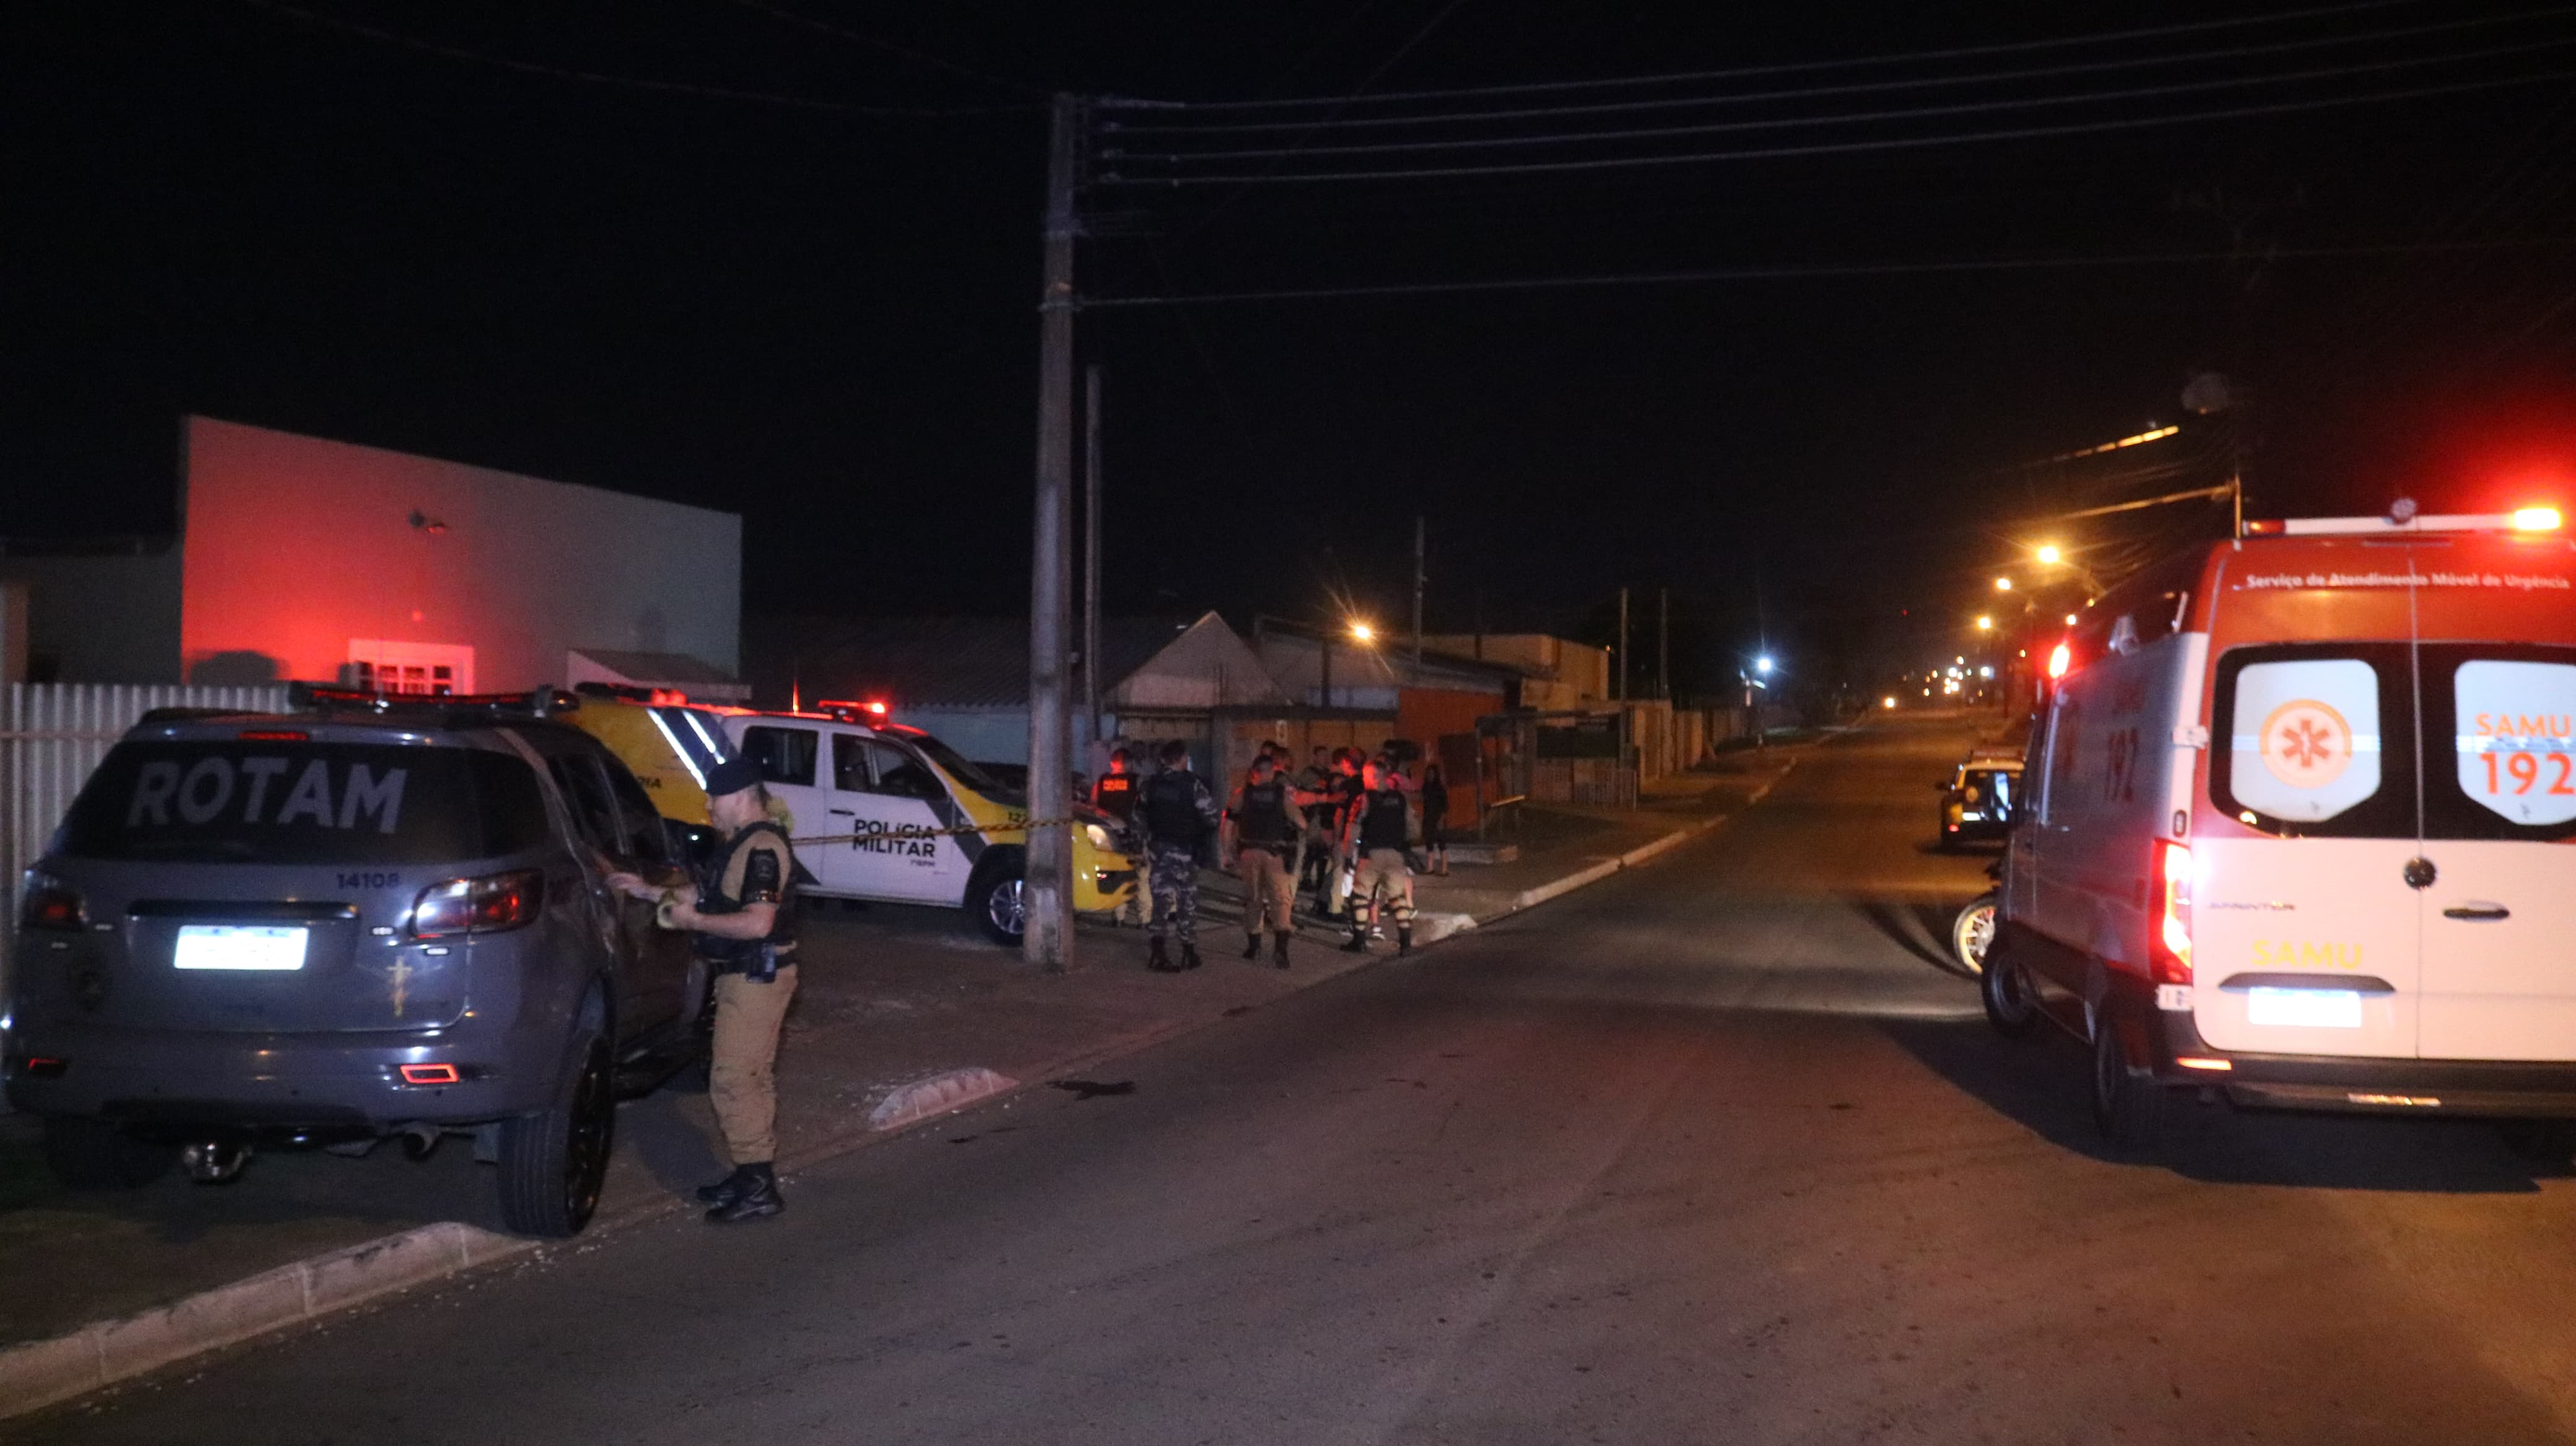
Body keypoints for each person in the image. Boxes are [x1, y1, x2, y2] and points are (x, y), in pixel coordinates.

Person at [607, 756, 799, 1224]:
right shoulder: (741, 844)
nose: (709, 805)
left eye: (714, 796)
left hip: (757, 975)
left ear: (738, 796)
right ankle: (749, 1171)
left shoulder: (761, 850)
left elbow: (758, 923)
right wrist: (651, 891)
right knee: (743, 1074)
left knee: (737, 1077)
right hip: (744, 976)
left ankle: (757, 1184)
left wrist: (693, 921)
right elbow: (712, 894)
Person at [1138, 738, 1220, 971]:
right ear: (1182, 759)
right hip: (1184, 853)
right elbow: (1212, 817)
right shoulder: (1192, 785)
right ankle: (1188, 952)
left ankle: (1158, 953)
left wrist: (1143, 846)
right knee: (1187, 903)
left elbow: (1138, 818)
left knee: (1161, 904)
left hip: (1159, 852)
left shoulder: (1150, 784)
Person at [1223, 752, 1304, 969]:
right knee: (1281, 902)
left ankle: (1254, 947)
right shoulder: (1282, 795)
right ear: (1271, 773)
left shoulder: (1242, 794)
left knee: (1253, 899)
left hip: (1249, 854)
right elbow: (1301, 823)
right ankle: (1281, 951)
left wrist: (1228, 852)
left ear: (1254, 773)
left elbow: (1228, 824)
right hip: (1274, 855)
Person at [1340, 753, 1419, 955]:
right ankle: (1406, 943)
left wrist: (1348, 855)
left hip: (1371, 855)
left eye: (1366, 777)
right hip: (1395, 855)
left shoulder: (1365, 799)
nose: (1364, 781)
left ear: (1375, 776)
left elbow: (1354, 828)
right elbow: (1414, 829)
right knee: (1398, 898)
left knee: (1360, 896)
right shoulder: (1400, 800)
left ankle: (1359, 941)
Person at [1092, 746, 1145, 926]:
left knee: (1117, 874)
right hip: (1132, 835)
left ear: (1112, 763)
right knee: (1141, 875)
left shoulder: (1101, 783)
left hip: (1109, 836)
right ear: (1129, 764)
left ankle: (1118, 917)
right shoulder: (1136, 781)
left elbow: (1092, 807)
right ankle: (1144, 919)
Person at [1420, 760, 1450, 876]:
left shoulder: (1440, 789)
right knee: (1429, 842)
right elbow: (1423, 800)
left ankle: (1444, 869)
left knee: (1441, 843)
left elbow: (1445, 806)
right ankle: (1430, 867)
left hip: (1438, 818)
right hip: (1428, 818)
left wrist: (1441, 820)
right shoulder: (1426, 787)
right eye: (1428, 773)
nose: (1430, 776)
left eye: (1432, 773)